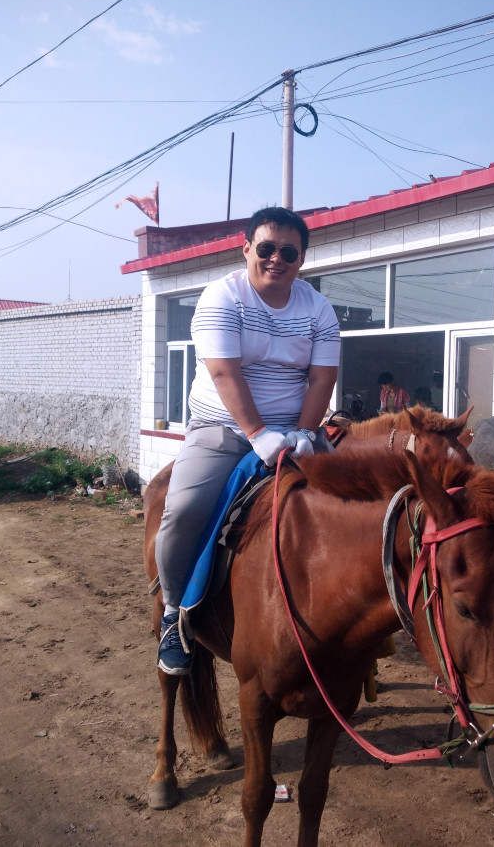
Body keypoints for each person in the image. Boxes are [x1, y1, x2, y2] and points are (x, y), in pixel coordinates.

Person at [155, 207, 340, 675]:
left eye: (289, 252)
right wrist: (258, 435)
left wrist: (301, 433)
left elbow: (322, 379)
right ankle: (174, 614)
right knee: (183, 512)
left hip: (299, 428)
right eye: (266, 248)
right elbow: (224, 371)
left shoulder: (317, 308)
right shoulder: (223, 296)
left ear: (302, 259)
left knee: (355, 505)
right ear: (247, 250)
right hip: (225, 429)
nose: (277, 258)